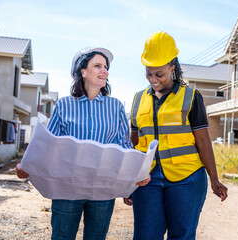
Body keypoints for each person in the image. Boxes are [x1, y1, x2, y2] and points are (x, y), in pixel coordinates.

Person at [16, 47, 150, 240]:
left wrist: (135, 175)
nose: (104, 70)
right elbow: (48, 146)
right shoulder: (64, 105)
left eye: (106, 67)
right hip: (66, 188)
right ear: (83, 72)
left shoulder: (116, 107)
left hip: (103, 190)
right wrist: (27, 166)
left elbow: (124, 148)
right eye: (97, 66)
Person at [125, 31, 228, 240]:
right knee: (145, 236)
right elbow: (133, 143)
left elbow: (203, 141)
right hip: (147, 180)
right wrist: (127, 182)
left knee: (181, 236)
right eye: (148, 73)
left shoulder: (191, 97)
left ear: (172, 68)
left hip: (187, 179)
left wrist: (214, 179)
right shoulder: (138, 99)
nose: (153, 79)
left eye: (159, 74)